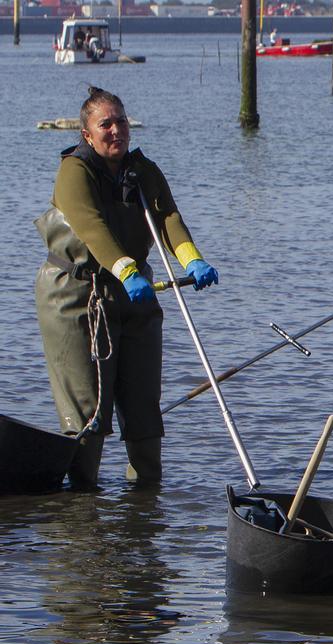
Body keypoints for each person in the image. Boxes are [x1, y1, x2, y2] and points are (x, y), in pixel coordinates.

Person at [34, 87, 220, 490]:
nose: (116, 130)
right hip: (76, 296)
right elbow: (90, 226)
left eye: (121, 121)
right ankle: (83, 509)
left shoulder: (142, 169)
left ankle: (144, 509)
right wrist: (125, 269)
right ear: (87, 134)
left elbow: (167, 215)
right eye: (105, 124)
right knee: (90, 412)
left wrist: (192, 259)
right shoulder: (74, 171)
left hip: (134, 297)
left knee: (143, 412)